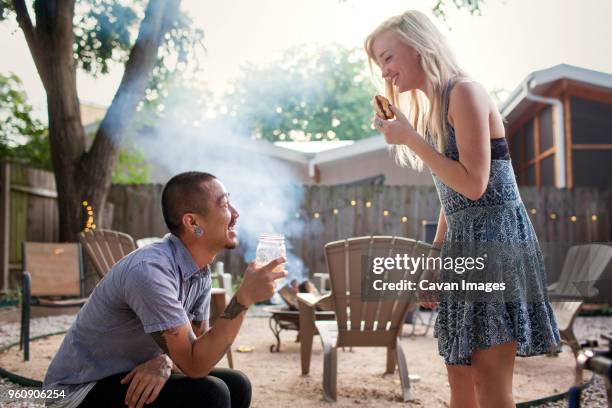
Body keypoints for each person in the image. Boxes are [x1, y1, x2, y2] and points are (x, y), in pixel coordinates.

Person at [364, 11, 561, 408]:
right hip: (462, 244)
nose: (384, 70)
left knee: (489, 383)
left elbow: (474, 185)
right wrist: (435, 257)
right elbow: (450, 194)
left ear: (418, 47)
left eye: (387, 56)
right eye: (378, 62)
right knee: (460, 379)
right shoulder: (436, 107)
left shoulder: (465, 92)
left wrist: (411, 139)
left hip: (495, 241)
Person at [43, 171, 286, 408]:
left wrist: (164, 360)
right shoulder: (150, 271)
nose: (235, 213)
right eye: (224, 205)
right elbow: (195, 365)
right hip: (77, 391)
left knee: (237, 384)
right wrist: (243, 298)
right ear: (192, 222)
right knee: (211, 394)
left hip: (125, 375)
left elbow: (200, 350)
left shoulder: (199, 272)